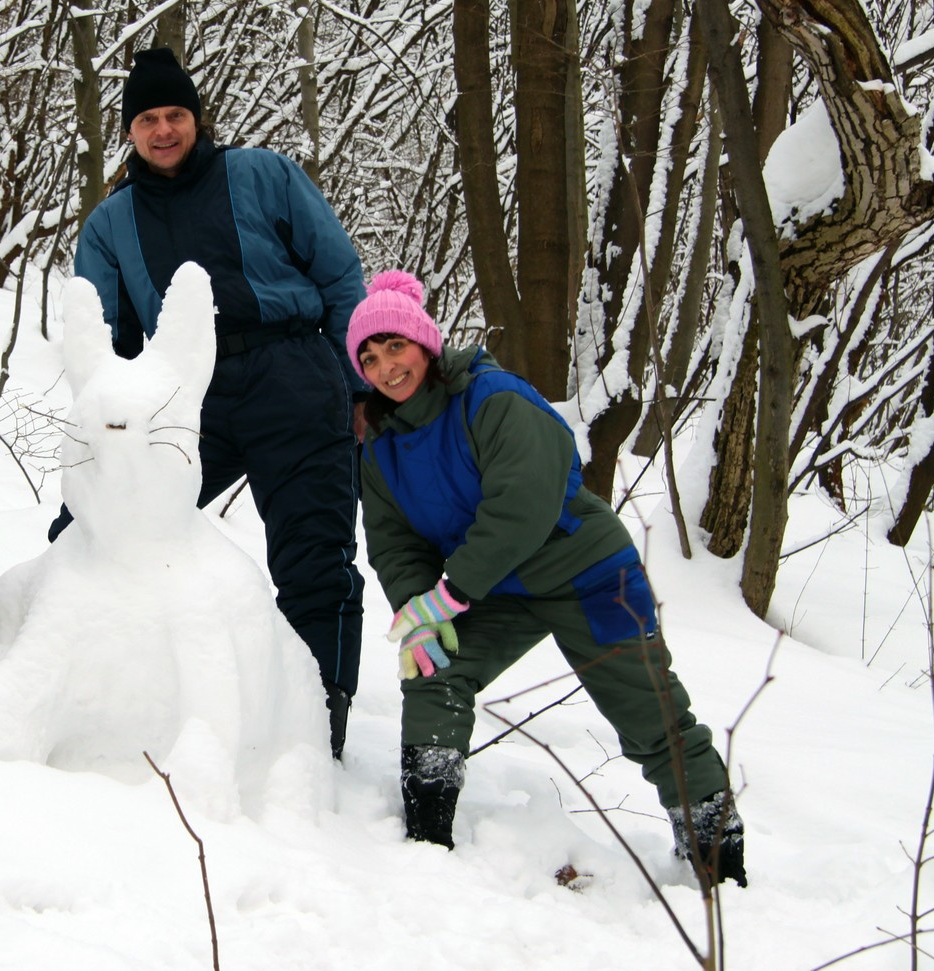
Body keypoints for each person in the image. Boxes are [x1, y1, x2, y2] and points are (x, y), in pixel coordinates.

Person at [349, 270, 747, 888]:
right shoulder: (381, 447)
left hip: (586, 574)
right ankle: (426, 852)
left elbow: (523, 508)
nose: (385, 368)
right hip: (494, 591)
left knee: (650, 715)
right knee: (432, 669)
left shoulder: (493, 399)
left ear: (425, 344)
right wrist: (417, 610)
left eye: (394, 347)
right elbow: (393, 540)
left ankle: (721, 871)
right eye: (369, 358)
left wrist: (449, 596)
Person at [53, 46, 368, 757]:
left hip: (292, 372)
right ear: (129, 132)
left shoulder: (263, 175)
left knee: (313, 557)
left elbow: (342, 275)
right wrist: (113, 433)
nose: (164, 131)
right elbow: (109, 339)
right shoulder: (112, 225)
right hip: (185, 394)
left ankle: (319, 731)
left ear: (196, 118)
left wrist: (358, 388)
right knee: (94, 526)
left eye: (176, 115)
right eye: (147, 119)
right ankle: (90, 683)